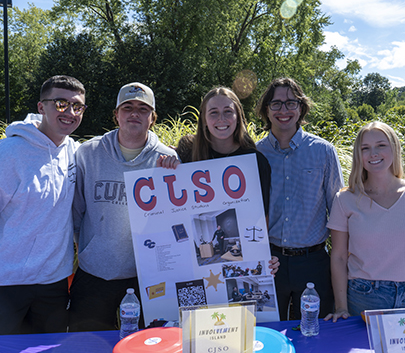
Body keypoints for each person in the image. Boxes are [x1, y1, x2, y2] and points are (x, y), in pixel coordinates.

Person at [69, 82, 177, 332]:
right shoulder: (88, 153)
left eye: (143, 108)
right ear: (116, 114)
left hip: (147, 276)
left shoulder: (166, 160)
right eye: (127, 107)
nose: (134, 113)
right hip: (95, 272)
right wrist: (90, 247)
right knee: (87, 346)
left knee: (148, 347)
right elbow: (76, 212)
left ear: (153, 118)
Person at [159, 86, 279, 275]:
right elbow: (170, 209)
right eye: (213, 113)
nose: (221, 119)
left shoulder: (255, 161)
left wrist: (262, 253)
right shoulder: (188, 152)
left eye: (228, 112)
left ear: (238, 117)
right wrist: (167, 165)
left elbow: (261, 218)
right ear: (204, 120)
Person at [0, 75, 86, 334]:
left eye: (77, 106)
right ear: (41, 107)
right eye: (60, 104)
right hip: (8, 282)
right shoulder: (9, 153)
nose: (69, 112)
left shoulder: (74, 151)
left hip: (54, 282)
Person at [256, 77, 343, 320]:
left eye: (291, 103)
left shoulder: (323, 151)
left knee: (316, 335)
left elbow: (338, 210)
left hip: (313, 262)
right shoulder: (255, 154)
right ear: (266, 110)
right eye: (276, 104)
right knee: (267, 333)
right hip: (269, 262)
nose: (283, 110)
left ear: (301, 108)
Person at [325, 122, 405, 322]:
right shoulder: (345, 199)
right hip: (364, 297)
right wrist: (341, 306)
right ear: (358, 155)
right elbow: (339, 257)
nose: (373, 153)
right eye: (365, 148)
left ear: (394, 148)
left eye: (381, 145)